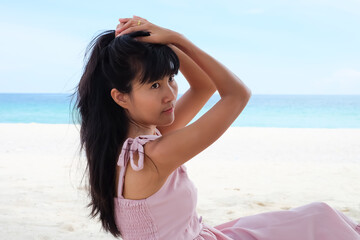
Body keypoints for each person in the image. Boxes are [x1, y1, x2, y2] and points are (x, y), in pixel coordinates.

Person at [73, 15, 360, 240]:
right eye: (154, 85)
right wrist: (177, 39)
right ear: (120, 96)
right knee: (321, 220)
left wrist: (159, 43)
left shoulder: (128, 147)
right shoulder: (153, 155)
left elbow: (204, 86)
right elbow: (236, 94)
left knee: (315, 218)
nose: (171, 94)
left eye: (170, 78)